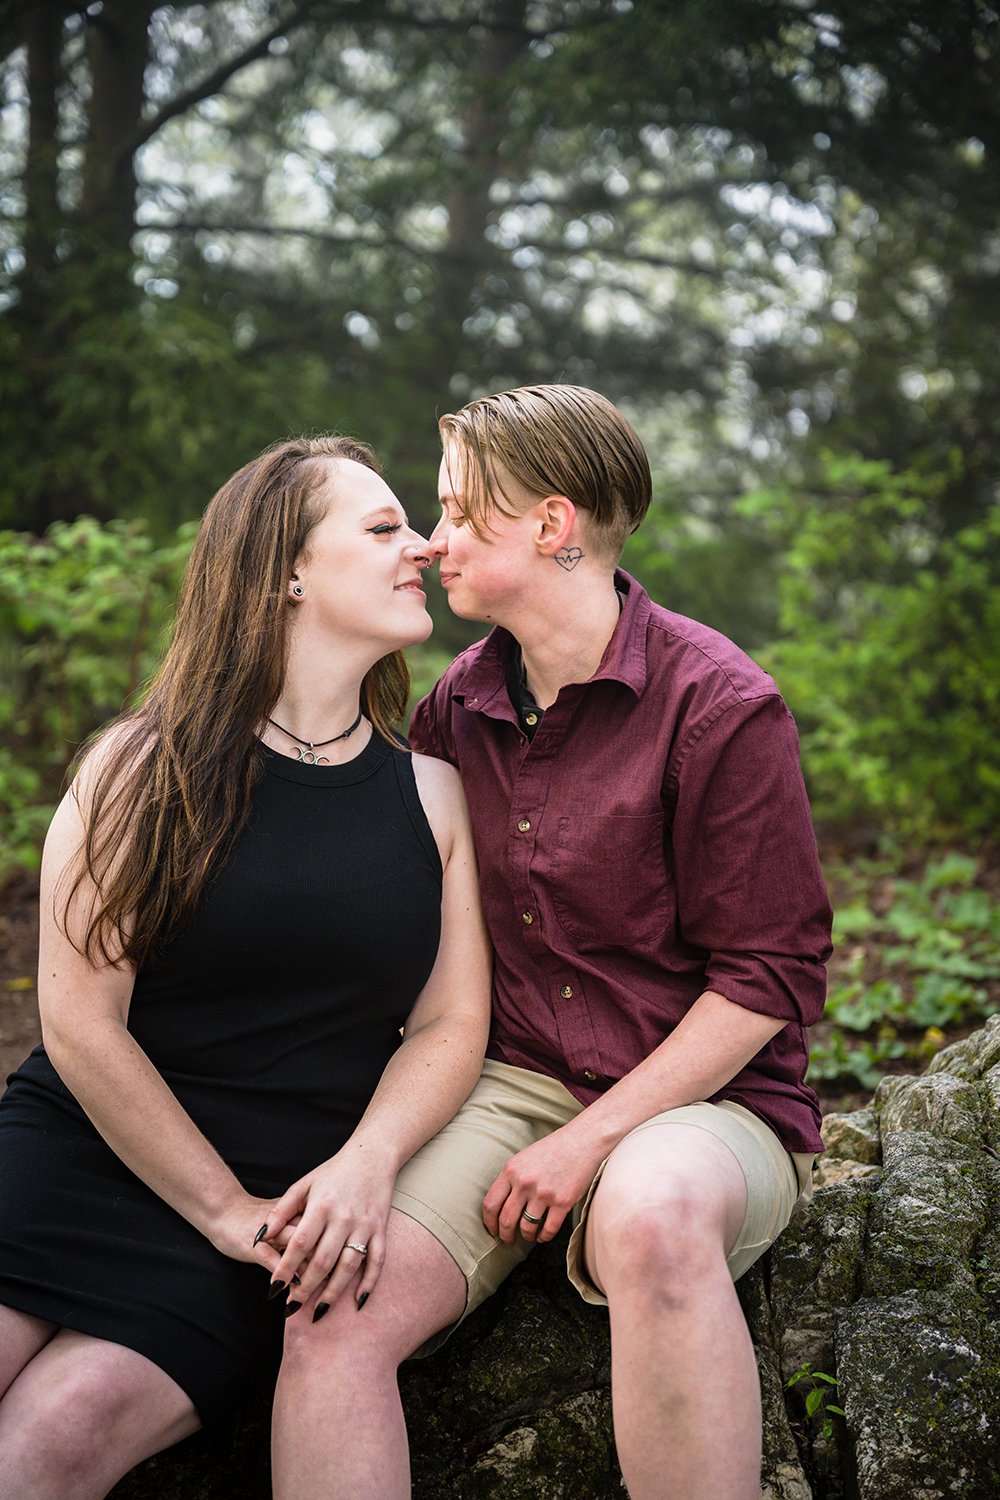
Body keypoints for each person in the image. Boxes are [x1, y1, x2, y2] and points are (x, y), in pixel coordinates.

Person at [273, 386, 832, 1500]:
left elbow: (768, 977)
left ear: (551, 525)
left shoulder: (719, 705)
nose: (430, 545)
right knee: (329, 1309)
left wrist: (591, 1145)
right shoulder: (452, 712)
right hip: (508, 1086)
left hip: (700, 1105)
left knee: (654, 1216)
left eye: (458, 514)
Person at [0, 435, 491, 1500]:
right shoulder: (142, 767)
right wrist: (219, 1204)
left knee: (51, 1443)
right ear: (286, 571)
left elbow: (452, 1026)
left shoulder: (434, 797)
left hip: (272, 1227)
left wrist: (367, 1162)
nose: (422, 547)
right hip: (87, 1165)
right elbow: (81, 1022)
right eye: (382, 528)